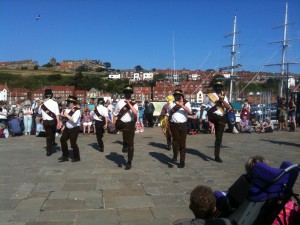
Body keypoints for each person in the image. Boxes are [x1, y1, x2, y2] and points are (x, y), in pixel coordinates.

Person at [201, 79, 232, 163]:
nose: (219, 88)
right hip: (213, 115)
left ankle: (216, 155)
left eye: (220, 87)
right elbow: (203, 106)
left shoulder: (224, 96)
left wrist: (221, 100)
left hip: (221, 116)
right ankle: (217, 152)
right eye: (217, 87)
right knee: (219, 120)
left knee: (219, 137)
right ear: (215, 88)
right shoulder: (210, 96)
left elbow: (228, 107)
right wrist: (201, 117)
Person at [113, 85, 138, 170]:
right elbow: (115, 114)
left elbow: (135, 112)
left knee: (131, 144)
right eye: (126, 93)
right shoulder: (119, 103)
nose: (128, 94)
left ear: (131, 94)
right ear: (124, 94)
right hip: (122, 124)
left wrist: (128, 104)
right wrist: (114, 125)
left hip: (130, 124)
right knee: (125, 135)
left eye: (129, 93)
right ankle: (124, 144)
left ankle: (129, 162)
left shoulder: (134, 103)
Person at [168, 89, 192, 168]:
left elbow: (190, 112)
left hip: (183, 125)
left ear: (181, 96)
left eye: (178, 95)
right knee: (175, 142)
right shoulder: (171, 104)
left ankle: (182, 161)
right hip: (173, 124)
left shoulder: (186, 103)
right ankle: (175, 155)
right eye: (175, 95)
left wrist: (180, 104)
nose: (177, 97)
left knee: (182, 143)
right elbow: (169, 113)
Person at [59, 95, 81, 162]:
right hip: (67, 128)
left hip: (74, 129)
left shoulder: (77, 111)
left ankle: (77, 157)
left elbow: (74, 120)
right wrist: (62, 117)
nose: (67, 104)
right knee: (62, 139)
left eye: (68, 102)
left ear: (72, 103)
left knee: (73, 144)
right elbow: (65, 119)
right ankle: (65, 155)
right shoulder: (67, 109)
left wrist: (66, 115)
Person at [38, 89, 61, 156]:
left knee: (48, 135)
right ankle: (53, 142)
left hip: (45, 122)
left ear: (45, 95)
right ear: (51, 95)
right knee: (53, 132)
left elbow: (39, 112)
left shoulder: (42, 104)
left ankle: (49, 150)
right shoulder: (55, 103)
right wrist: (58, 122)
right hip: (53, 121)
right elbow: (57, 114)